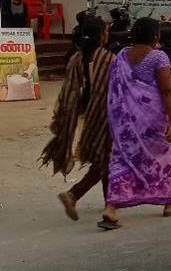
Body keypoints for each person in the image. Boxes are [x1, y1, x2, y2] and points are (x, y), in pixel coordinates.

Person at [101, 18, 171, 230]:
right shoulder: (159, 57)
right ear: (156, 36)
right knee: (168, 156)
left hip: (127, 123)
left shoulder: (121, 56)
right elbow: (166, 91)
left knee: (122, 158)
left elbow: (115, 89)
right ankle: (169, 202)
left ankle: (111, 208)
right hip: (153, 120)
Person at [40, 16, 115, 222]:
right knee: (106, 159)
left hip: (84, 115)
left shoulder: (75, 58)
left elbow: (68, 91)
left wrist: (60, 117)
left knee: (105, 159)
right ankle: (77, 195)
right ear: (101, 35)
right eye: (105, 30)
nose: (107, 33)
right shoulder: (108, 59)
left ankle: (110, 204)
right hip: (103, 117)